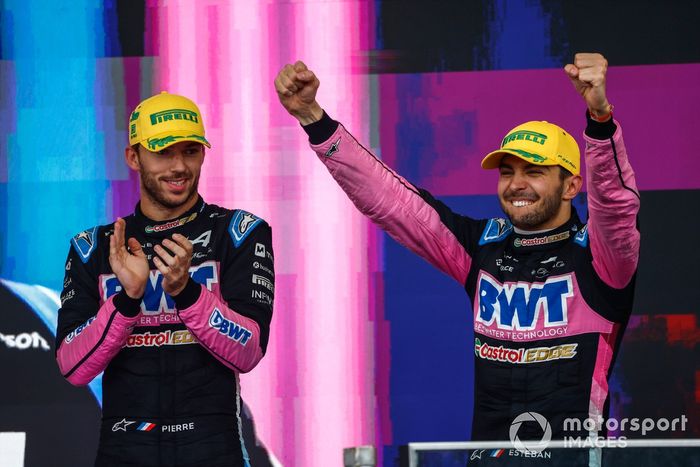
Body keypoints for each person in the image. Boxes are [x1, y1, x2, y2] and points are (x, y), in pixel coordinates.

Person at [275, 53, 640, 465]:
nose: (516, 184)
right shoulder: (482, 247)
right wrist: (314, 119)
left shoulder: (600, 256)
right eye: (507, 171)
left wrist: (599, 118)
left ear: (571, 185)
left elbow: (615, 205)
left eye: (534, 171)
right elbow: (393, 201)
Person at [55, 92, 275, 467]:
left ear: (204, 154)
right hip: (124, 446)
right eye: (163, 152)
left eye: (190, 151)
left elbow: (249, 350)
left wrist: (187, 293)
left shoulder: (239, 232)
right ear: (133, 157)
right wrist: (127, 299)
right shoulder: (94, 247)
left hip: (212, 446)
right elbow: (74, 367)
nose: (178, 166)